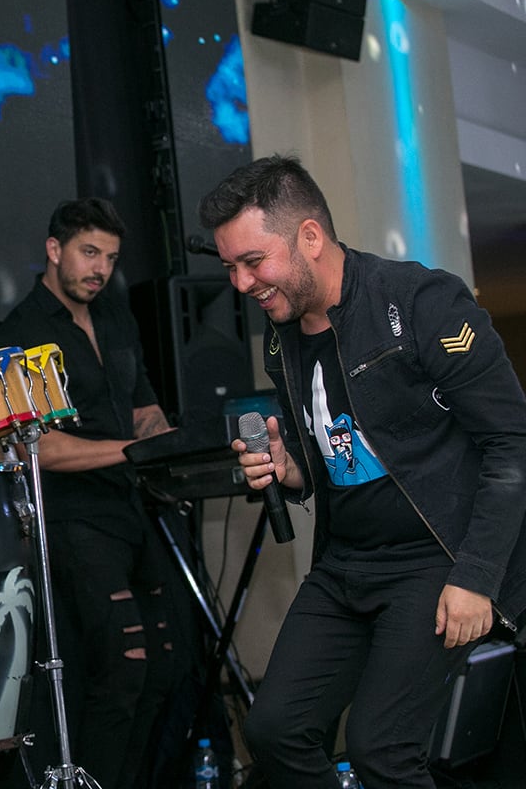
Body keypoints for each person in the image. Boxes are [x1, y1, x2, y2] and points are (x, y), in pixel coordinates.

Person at [199, 154, 526, 788]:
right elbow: (332, 446)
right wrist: (290, 467)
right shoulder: (282, 334)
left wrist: (478, 577)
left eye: (253, 262)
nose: (241, 284)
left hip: (434, 558)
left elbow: (512, 440)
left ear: (310, 238)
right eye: (230, 268)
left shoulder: (422, 301)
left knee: (382, 748)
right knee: (272, 730)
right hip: (346, 562)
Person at [0, 198, 183, 789]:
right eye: (89, 252)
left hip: (132, 508)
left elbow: (144, 410)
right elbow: (38, 449)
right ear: (55, 250)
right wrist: (132, 450)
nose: (100, 269)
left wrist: (187, 446)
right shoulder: (23, 330)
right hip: (74, 519)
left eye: (111, 258)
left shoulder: (117, 316)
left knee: (168, 670)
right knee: (121, 675)